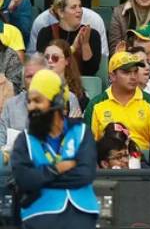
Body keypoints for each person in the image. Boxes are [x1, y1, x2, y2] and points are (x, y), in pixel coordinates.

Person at [11, 68, 99, 229]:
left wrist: (42, 177)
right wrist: (58, 169)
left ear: (57, 101)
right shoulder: (24, 140)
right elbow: (24, 180)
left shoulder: (81, 132)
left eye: (37, 101)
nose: (31, 107)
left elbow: (85, 174)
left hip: (82, 213)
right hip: (40, 214)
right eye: (29, 102)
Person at [83, 51, 150, 152]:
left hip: (142, 163)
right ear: (112, 76)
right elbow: (88, 145)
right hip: (108, 162)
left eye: (135, 71)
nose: (133, 77)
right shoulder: (96, 104)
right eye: (127, 72)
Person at [36, 0, 100, 78]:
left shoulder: (92, 34)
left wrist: (85, 44)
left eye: (80, 6)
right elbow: (46, 66)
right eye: (73, 7)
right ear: (61, 12)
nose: (79, 10)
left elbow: (91, 71)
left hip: (82, 86)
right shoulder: (46, 33)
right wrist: (73, 48)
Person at [43, 40, 85, 117]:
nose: (49, 61)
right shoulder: (36, 88)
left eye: (55, 58)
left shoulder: (79, 95)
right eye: (46, 57)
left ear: (67, 61)